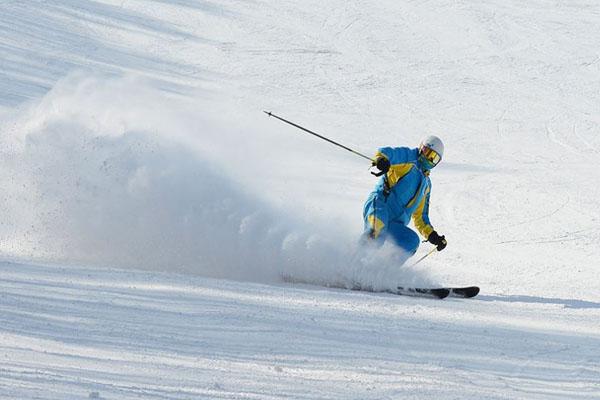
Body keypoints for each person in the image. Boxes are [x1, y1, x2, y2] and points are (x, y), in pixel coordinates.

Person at [362, 135, 447, 264]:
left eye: (433, 158)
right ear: (420, 148)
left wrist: (432, 236)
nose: (427, 158)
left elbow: (420, 217)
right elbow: (386, 152)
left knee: (411, 241)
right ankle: (353, 263)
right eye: (426, 151)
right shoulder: (409, 158)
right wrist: (382, 160)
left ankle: (383, 272)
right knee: (377, 229)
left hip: (395, 223)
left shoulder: (426, 186)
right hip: (379, 205)